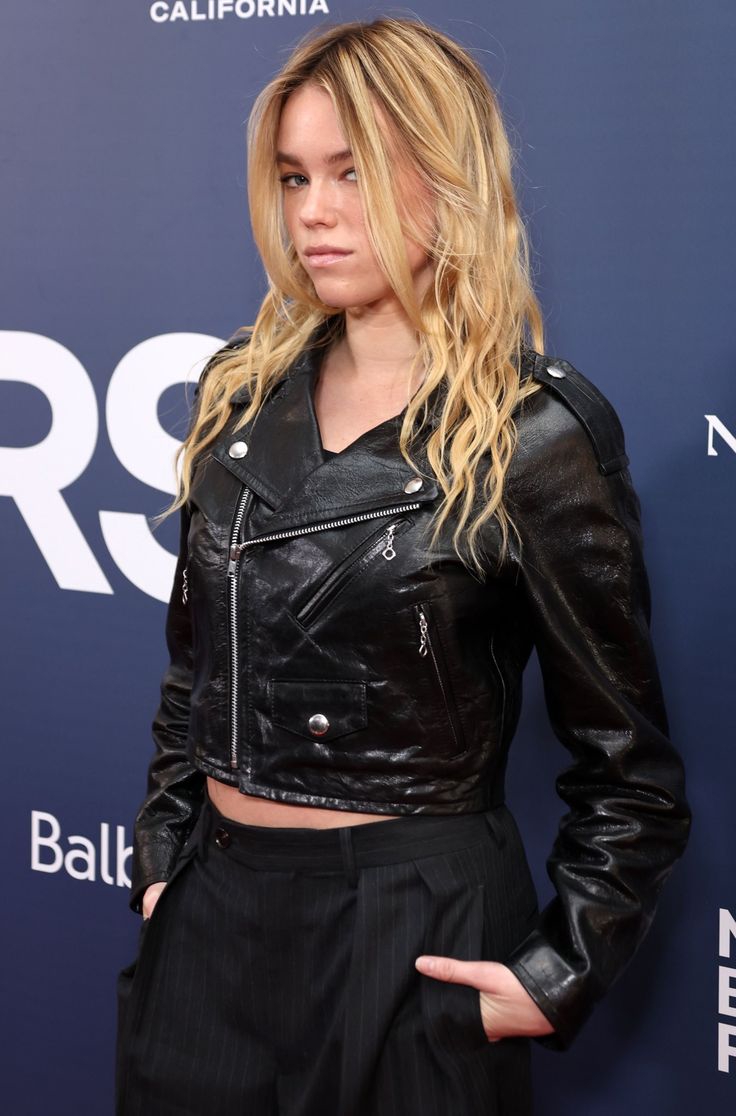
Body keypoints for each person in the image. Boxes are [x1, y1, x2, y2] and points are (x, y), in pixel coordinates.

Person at [116, 16, 691, 1116]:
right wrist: (163, 858)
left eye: (353, 172)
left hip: (413, 928)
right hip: (210, 922)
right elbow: (196, 672)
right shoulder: (239, 394)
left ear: (447, 176)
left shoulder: (534, 435)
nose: (314, 210)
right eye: (295, 176)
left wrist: (560, 971)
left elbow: (628, 768)